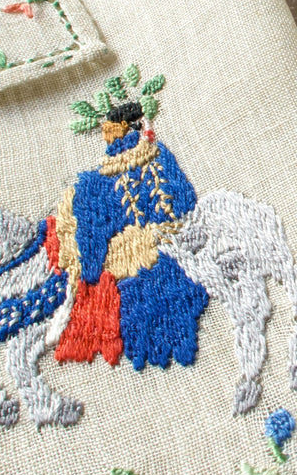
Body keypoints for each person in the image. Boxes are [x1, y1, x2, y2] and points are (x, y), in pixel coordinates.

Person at [54, 101, 209, 369]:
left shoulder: (95, 182)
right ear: (134, 129)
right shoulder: (160, 156)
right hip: (174, 261)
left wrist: (91, 274)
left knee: (143, 329)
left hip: (135, 277)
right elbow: (187, 203)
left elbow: (93, 240)